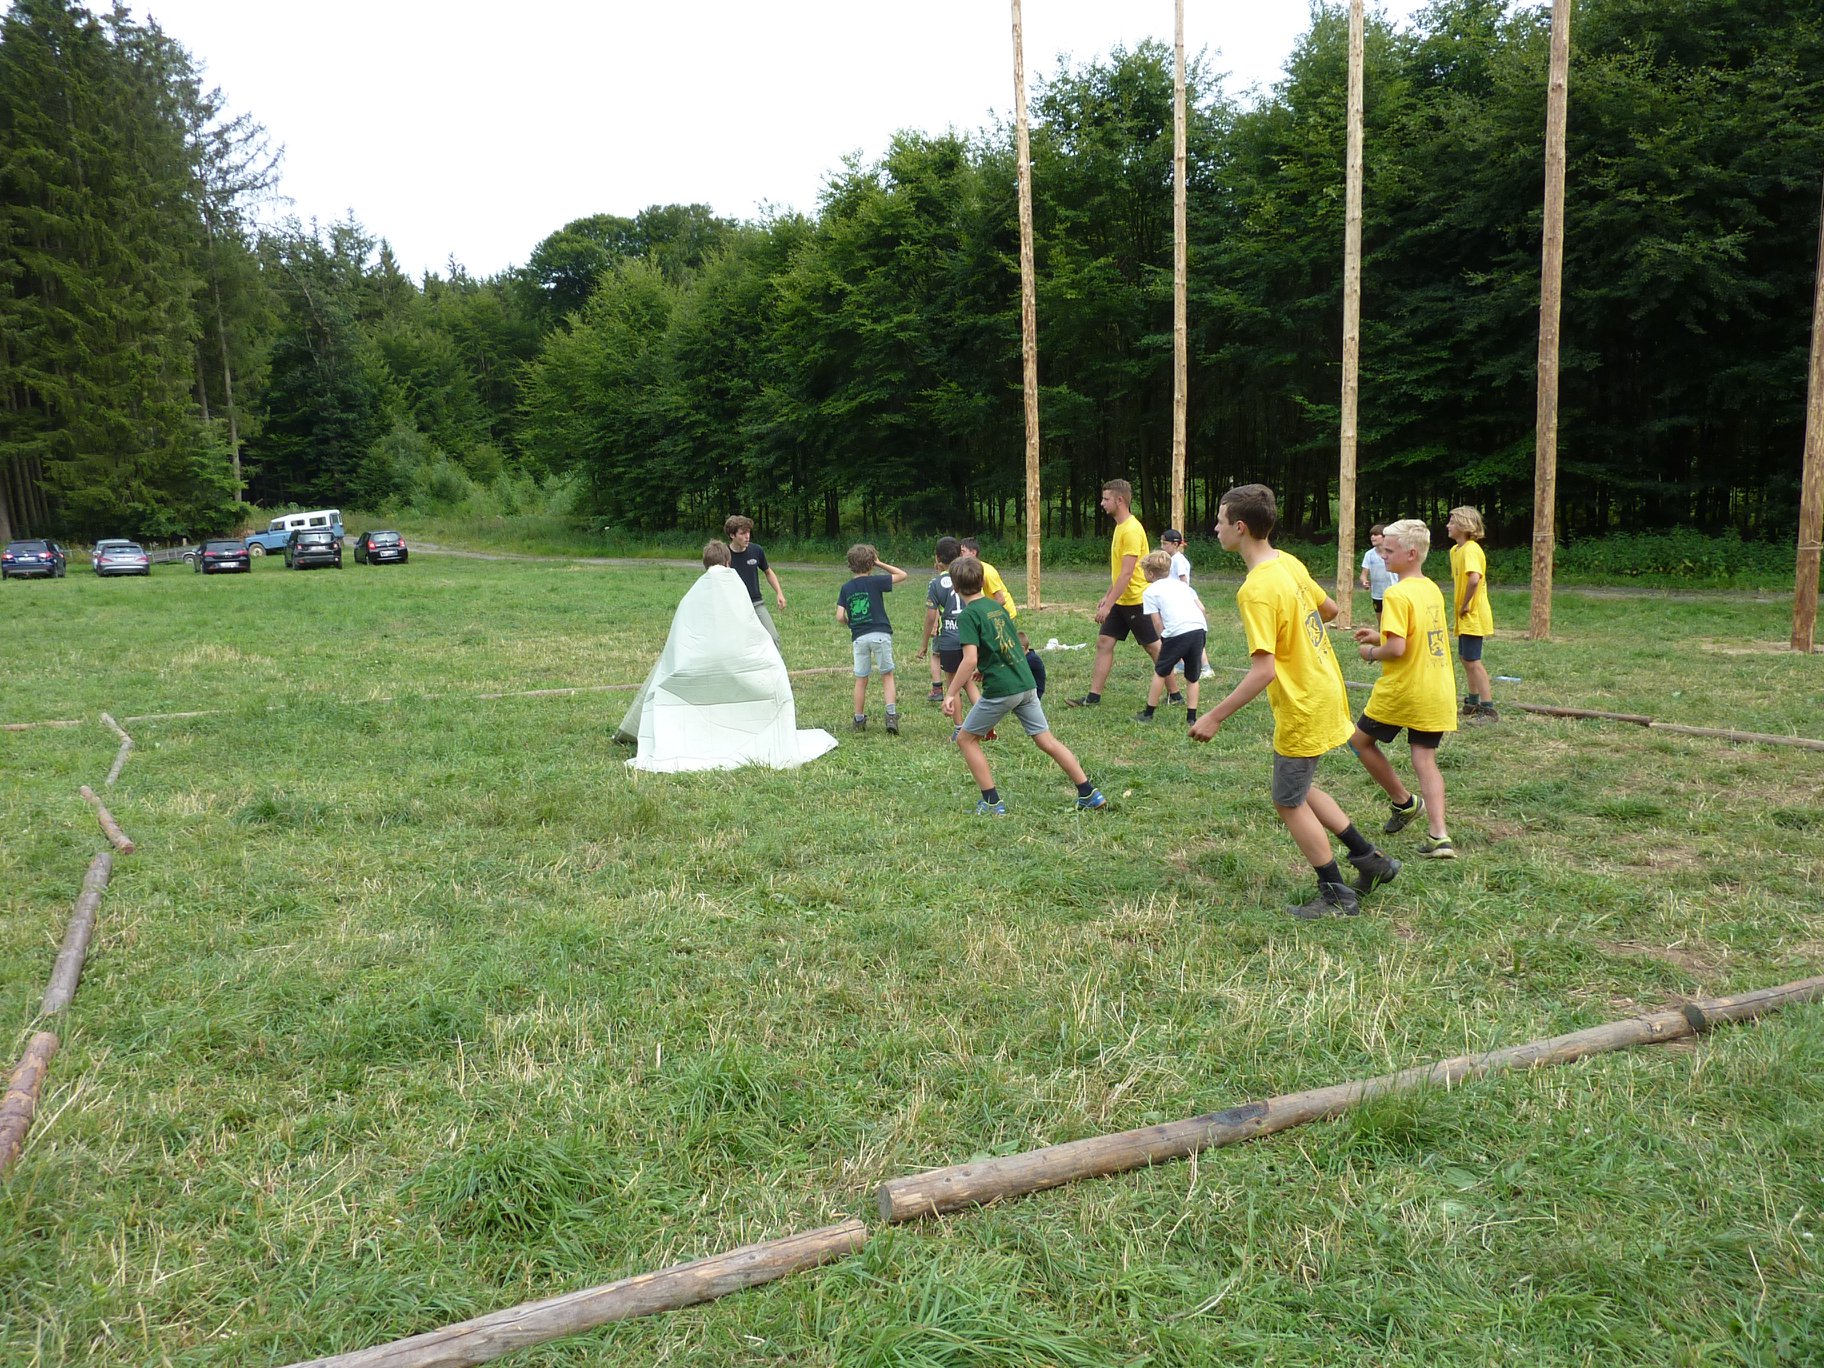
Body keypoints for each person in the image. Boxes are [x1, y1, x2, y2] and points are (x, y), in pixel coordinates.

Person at [1189, 483, 1400, 920]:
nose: (1216, 527)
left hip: (1303, 702)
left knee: (1287, 800)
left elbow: (1263, 671)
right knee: (1299, 789)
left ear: (1240, 527)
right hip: (1325, 689)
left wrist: (1214, 715)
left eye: (1221, 520)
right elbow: (1330, 610)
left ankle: (1337, 895)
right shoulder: (1286, 562)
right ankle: (1371, 861)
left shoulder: (1256, 589)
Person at [942, 555, 1106, 815]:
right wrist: (986, 670)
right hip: (1025, 683)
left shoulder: (968, 616)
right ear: (983, 581)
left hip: (1003, 690)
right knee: (1046, 740)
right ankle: (1089, 793)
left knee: (966, 739)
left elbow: (970, 657)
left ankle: (992, 802)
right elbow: (1004, 644)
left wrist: (950, 693)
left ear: (954, 586)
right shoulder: (996, 607)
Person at [1347, 519, 1457, 859]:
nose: (1382, 555)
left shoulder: (1396, 593)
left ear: (1411, 554)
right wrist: (1379, 634)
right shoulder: (1431, 589)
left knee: (1359, 742)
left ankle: (1405, 802)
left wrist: (1371, 652)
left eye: (1389, 550)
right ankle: (1440, 836)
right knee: (1425, 758)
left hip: (1403, 690)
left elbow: (1397, 650)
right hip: (1437, 688)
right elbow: (1414, 637)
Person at [1067, 478, 1162, 706]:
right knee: (1104, 642)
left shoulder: (1131, 529)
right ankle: (1093, 697)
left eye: (1106, 499)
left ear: (1120, 500)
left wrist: (1109, 604)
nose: (1102, 503)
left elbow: (1128, 573)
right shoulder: (1121, 527)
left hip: (1136, 600)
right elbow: (1119, 571)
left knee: (1153, 647)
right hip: (1122, 599)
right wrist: (1109, 595)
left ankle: (1176, 694)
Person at [836, 544, 907, 734]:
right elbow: (902, 575)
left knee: (861, 679)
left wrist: (850, 622)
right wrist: (880, 563)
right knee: (887, 675)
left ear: (850, 564)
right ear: (871, 564)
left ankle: (859, 719)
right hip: (881, 635)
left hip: (859, 638)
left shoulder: (846, 588)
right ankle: (891, 716)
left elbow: (839, 616)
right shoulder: (876, 581)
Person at [1134, 550, 1203, 724]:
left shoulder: (1150, 592)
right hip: (1198, 629)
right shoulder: (1183, 585)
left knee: (1161, 671)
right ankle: (1191, 717)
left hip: (1176, 633)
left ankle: (1148, 713)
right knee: (1192, 676)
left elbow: (1157, 623)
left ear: (1150, 573)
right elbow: (1201, 608)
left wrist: (1164, 640)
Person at [1446, 505, 1497, 723]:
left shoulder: (1471, 549)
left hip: (1472, 613)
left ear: (1464, 525)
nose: (1447, 526)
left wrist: (1466, 604)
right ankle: (1473, 702)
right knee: (1465, 658)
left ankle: (1488, 709)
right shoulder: (1455, 551)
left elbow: (1474, 578)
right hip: (1465, 614)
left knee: (1473, 660)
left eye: (1452, 522)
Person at [916, 536, 979, 709]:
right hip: (971, 633)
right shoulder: (969, 573)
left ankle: (959, 727)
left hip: (949, 638)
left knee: (954, 684)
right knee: (966, 680)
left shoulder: (935, 583)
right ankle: (986, 724)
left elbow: (930, 617)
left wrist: (923, 644)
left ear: (937, 558)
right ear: (960, 554)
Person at [725, 516, 787, 654]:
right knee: (737, 644)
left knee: (773, 638)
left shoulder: (756, 550)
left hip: (756, 603)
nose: (747, 537)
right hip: (734, 606)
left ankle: (777, 672)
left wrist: (779, 593)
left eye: (748, 532)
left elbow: (768, 572)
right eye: (742, 533)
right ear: (732, 535)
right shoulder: (724, 555)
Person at [1162, 527, 1213, 680]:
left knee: (1191, 633)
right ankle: (1179, 663)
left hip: (1181, 601)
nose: (1162, 547)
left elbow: (1183, 581)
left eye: (1165, 544)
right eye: (1161, 543)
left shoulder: (1179, 561)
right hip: (1174, 600)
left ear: (1176, 544)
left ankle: (1205, 667)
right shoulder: (1171, 560)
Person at [958, 538, 1018, 620]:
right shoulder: (972, 570)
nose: (960, 555)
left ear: (973, 553)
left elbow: (1001, 600)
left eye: (963, 552)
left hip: (1004, 612)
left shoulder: (987, 572)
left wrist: (984, 613)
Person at [1359, 523, 1396, 617]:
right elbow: (1363, 574)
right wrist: (1364, 582)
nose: (1372, 537)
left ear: (1384, 537)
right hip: (1377, 594)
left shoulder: (1393, 552)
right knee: (1381, 622)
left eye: (1375, 534)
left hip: (1394, 593)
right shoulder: (1369, 554)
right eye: (1371, 535)